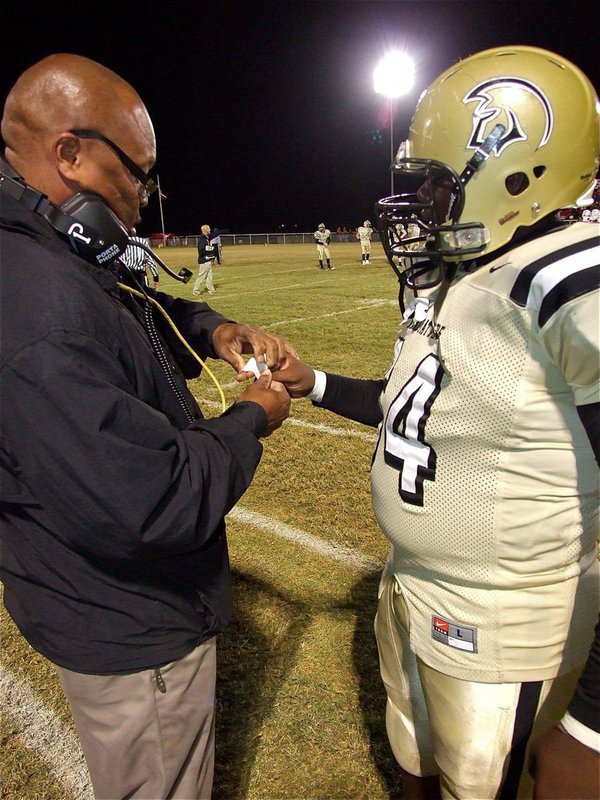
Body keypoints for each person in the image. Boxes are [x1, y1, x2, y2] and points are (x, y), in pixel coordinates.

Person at [271, 45, 599, 800]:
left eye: (438, 186)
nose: (420, 208)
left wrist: (591, 726)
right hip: (413, 588)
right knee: (414, 761)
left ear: (515, 174)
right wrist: (315, 384)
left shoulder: (572, 280)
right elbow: (413, 405)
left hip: (505, 619)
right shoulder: (460, 276)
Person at [0, 53, 295, 800]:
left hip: (93, 596)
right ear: (69, 153)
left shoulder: (49, 247)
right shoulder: (37, 304)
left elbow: (126, 309)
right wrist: (252, 418)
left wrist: (216, 329)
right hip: (130, 622)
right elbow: (151, 500)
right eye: (137, 172)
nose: (144, 196)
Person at [193, 223, 216, 296]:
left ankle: (211, 290)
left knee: (210, 276)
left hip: (207, 260)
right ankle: (195, 290)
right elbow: (201, 250)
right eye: (209, 228)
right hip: (204, 261)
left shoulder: (206, 238)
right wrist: (211, 251)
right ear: (206, 230)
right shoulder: (202, 239)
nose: (210, 230)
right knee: (201, 276)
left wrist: (211, 256)